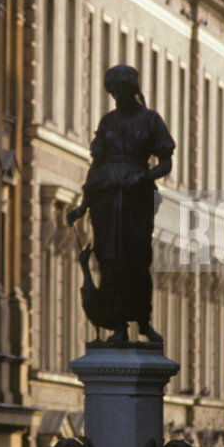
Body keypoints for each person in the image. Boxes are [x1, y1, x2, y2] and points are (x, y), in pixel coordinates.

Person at [66, 64, 174, 343]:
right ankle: (118, 326)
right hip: (107, 196)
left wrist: (143, 177)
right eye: (113, 92)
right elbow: (95, 165)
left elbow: (166, 162)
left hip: (136, 200)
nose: (117, 97)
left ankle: (143, 321)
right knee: (109, 260)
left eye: (121, 91)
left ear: (132, 90)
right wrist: (83, 206)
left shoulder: (150, 120)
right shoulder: (108, 122)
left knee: (137, 259)